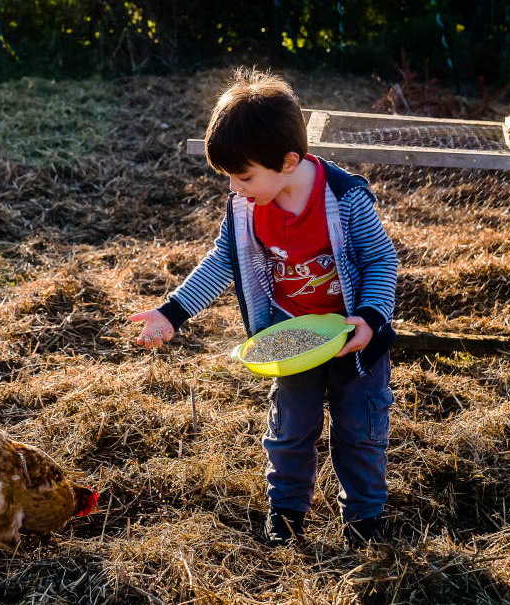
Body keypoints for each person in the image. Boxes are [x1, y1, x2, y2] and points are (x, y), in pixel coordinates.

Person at [129, 67, 398, 547]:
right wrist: (171, 313)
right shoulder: (246, 206)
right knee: (290, 430)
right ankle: (287, 513)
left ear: (289, 161)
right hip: (292, 338)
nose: (235, 187)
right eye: (230, 177)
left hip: (354, 342)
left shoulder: (345, 197)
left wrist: (371, 320)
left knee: (360, 431)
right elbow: (222, 262)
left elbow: (381, 259)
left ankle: (364, 519)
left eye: (244, 175)